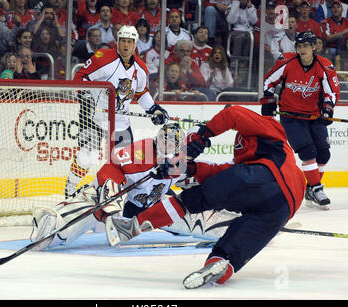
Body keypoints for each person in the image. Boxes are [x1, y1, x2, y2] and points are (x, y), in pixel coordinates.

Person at [105, 104, 306, 288]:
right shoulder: (252, 151)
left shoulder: (269, 127)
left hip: (269, 175)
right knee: (232, 247)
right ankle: (218, 265)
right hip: (284, 207)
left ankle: (131, 226)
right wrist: (190, 168)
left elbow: (232, 113)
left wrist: (200, 137)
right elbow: (230, 172)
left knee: (191, 200)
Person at [30, 123, 239, 250]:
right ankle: (52, 228)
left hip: (149, 211)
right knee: (89, 207)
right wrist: (111, 206)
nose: (166, 146)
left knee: (191, 212)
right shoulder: (142, 151)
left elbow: (203, 175)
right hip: (116, 206)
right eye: (163, 141)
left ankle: (235, 229)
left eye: (171, 143)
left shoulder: (180, 161)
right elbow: (110, 171)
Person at [65, 25, 169, 198]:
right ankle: (70, 189)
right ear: (118, 42)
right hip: (95, 117)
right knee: (88, 156)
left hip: (120, 121)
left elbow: (141, 92)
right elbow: (81, 76)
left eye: (130, 42)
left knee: (123, 161)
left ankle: (109, 193)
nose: (126, 45)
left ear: (135, 44)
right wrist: (84, 94)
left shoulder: (141, 68)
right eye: (123, 41)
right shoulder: (102, 57)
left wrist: (153, 109)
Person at [262, 31, 340, 209]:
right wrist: (268, 100)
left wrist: (328, 108)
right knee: (308, 152)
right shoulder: (288, 61)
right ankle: (317, 189)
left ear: (314, 47)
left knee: (323, 154)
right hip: (291, 116)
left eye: (305, 46)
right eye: (299, 46)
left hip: (314, 115)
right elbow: (269, 81)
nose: (301, 49)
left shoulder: (324, 65)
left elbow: (332, 92)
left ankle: (311, 189)